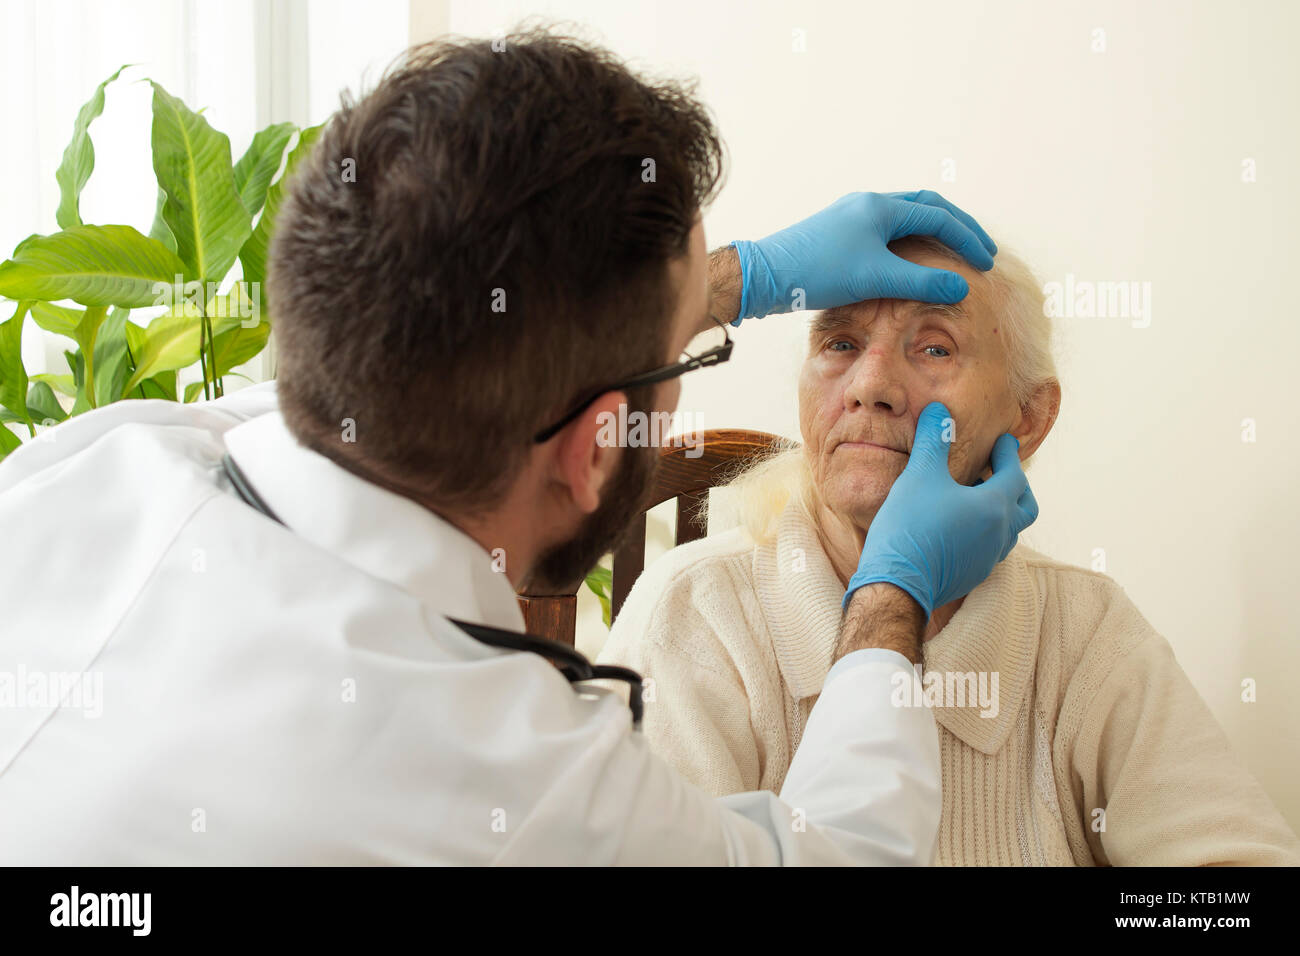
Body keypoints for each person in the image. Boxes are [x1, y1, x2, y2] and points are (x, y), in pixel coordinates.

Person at [0, 29, 1024, 865]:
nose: (875, 380)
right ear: (590, 452)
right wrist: (894, 594)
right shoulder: (517, 787)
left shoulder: (93, 465)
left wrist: (729, 282)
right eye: (686, 359)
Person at [598, 235, 1300, 866]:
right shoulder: (695, 611)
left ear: (1028, 418)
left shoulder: (1083, 628)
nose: (870, 386)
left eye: (935, 347)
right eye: (839, 342)